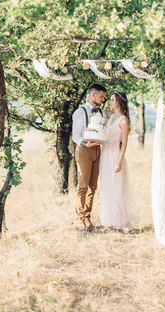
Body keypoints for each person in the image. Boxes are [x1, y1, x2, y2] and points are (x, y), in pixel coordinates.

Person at [72, 83, 108, 232]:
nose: (103, 100)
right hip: (84, 149)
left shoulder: (101, 112)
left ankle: (87, 216)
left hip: (97, 150)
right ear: (93, 95)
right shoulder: (80, 112)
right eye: (101, 96)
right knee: (83, 186)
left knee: (93, 186)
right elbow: (76, 135)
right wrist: (85, 144)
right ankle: (79, 218)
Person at [100, 91, 136, 232]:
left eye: (113, 100)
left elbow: (125, 143)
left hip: (115, 154)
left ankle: (119, 220)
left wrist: (119, 162)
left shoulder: (123, 120)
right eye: (110, 99)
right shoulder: (111, 116)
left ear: (119, 102)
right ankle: (108, 220)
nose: (110, 102)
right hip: (105, 154)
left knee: (117, 187)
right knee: (107, 185)